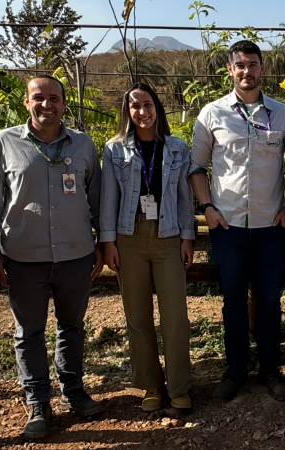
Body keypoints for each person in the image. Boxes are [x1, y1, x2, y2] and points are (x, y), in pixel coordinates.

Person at [0, 75, 104, 439]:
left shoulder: (83, 145)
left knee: (72, 326)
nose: (46, 105)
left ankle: (73, 390)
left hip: (75, 254)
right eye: (39, 98)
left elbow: (96, 198)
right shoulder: (4, 143)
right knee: (28, 332)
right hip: (23, 256)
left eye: (54, 98)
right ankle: (37, 400)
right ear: (26, 102)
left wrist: (101, 243)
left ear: (65, 104)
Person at [190, 40, 285, 402]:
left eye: (252, 64)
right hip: (228, 227)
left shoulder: (283, 116)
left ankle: (270, 368)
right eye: (239, 65)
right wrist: (207, 207)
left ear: (262, 69)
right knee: (233, 302)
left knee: (269, 300)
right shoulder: (212, 114)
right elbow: (197, 167)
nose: (246, 71)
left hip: (271, 227)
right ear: (230, 70)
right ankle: (235, 369)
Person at [100, 83, 195, 411]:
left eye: (148, 105)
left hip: (168, 236)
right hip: (130, 238)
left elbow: (185, 197)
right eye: (135, 106)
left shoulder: (178, 147)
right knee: (137, 317)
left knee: (175, 318)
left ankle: (179, 386)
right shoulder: (114, 150)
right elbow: (109, 198)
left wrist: (187, 237)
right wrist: (108, 241)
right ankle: (151, 386)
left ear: (158, 107)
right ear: (127, 112)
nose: (142, 112)